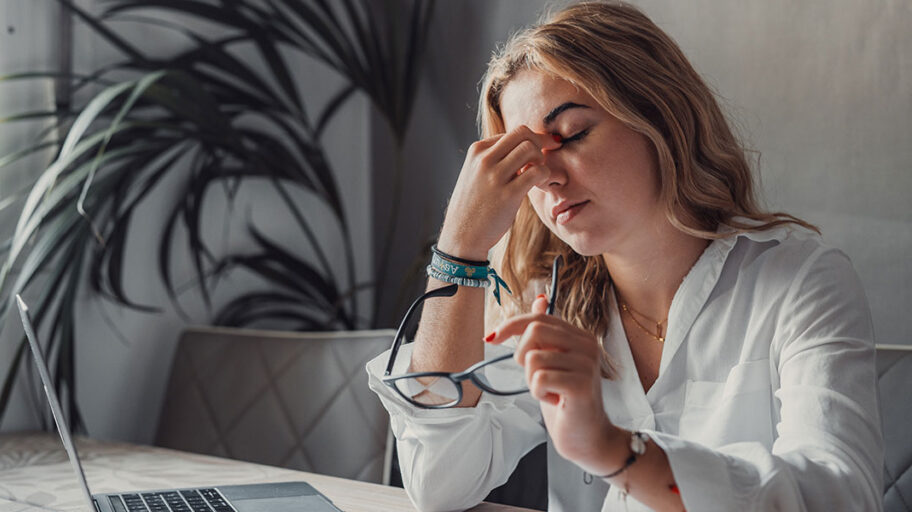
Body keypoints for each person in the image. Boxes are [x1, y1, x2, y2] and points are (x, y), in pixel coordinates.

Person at [365, 2, 883, 511]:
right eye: (525, 163)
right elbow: (437, 482)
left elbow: (838, 497)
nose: (548, 177)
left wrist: (613, 449)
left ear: (659, 114)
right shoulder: (546, 301)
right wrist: (459, 247)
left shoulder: (800, 282)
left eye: (571, 135)